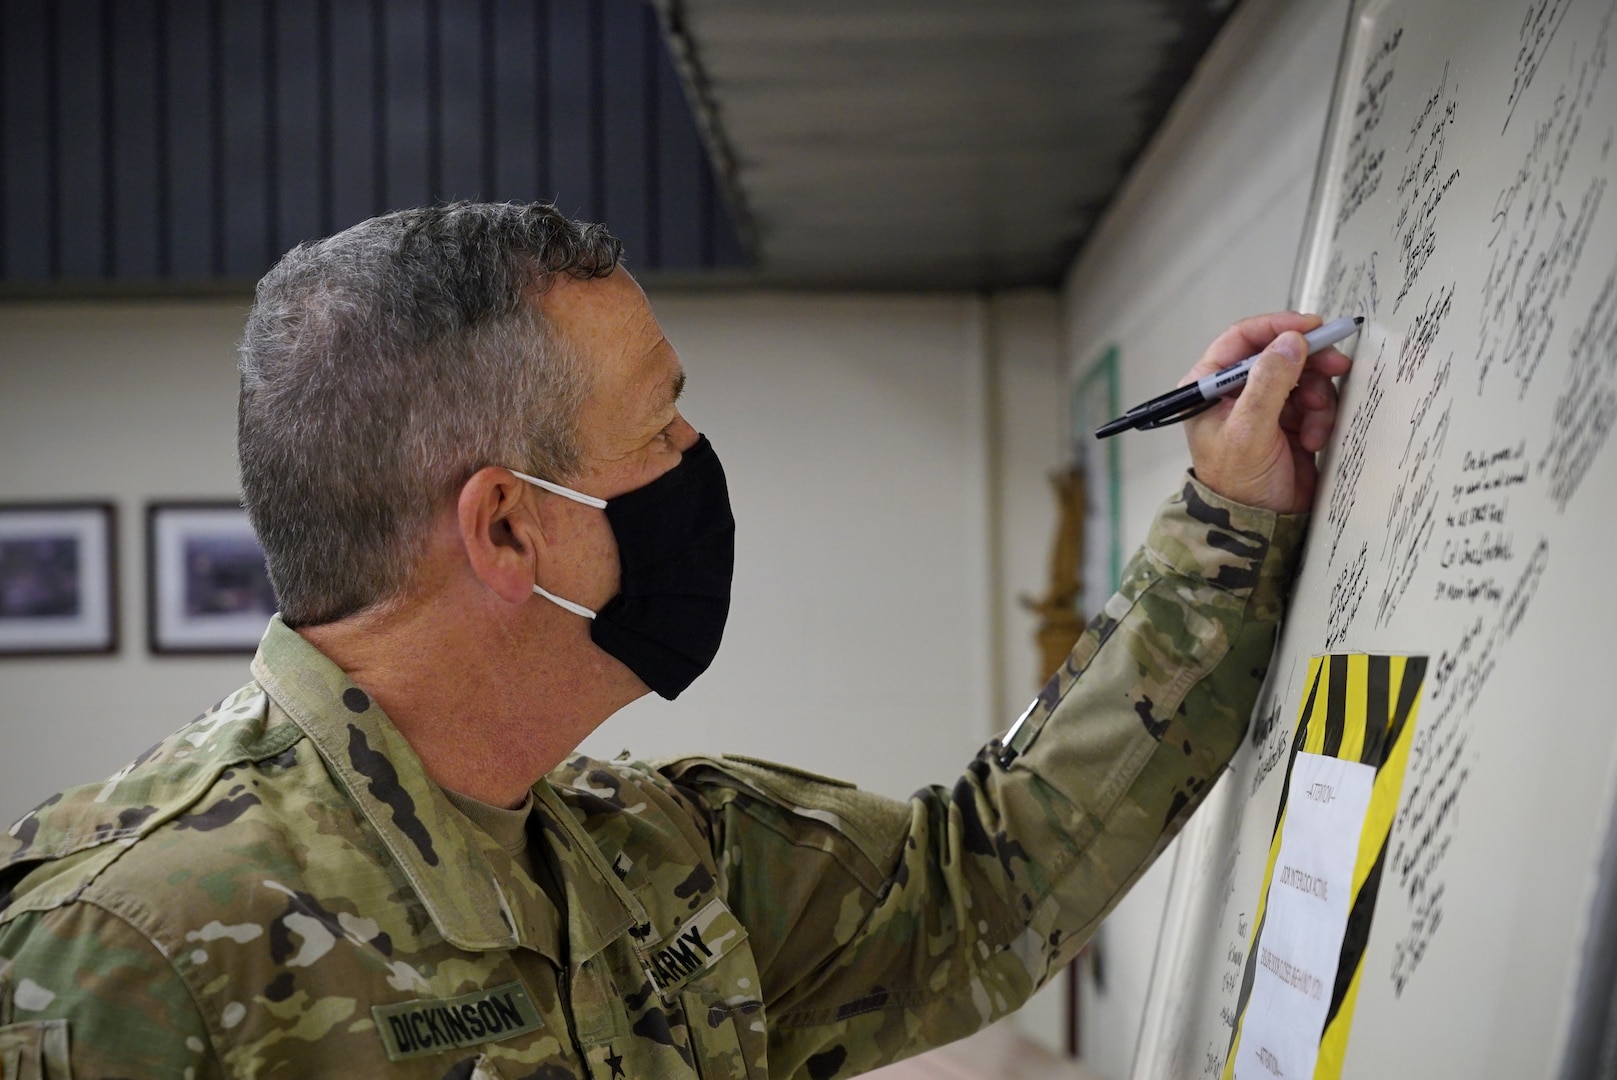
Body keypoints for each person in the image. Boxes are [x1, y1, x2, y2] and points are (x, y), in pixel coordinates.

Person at [0, 202, 1349, 1079]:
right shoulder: (127, 949)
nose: (696, 465)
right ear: (509, 530)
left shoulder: (644, 865)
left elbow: (978, 883)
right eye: (657, 431)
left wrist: (1226, 519)